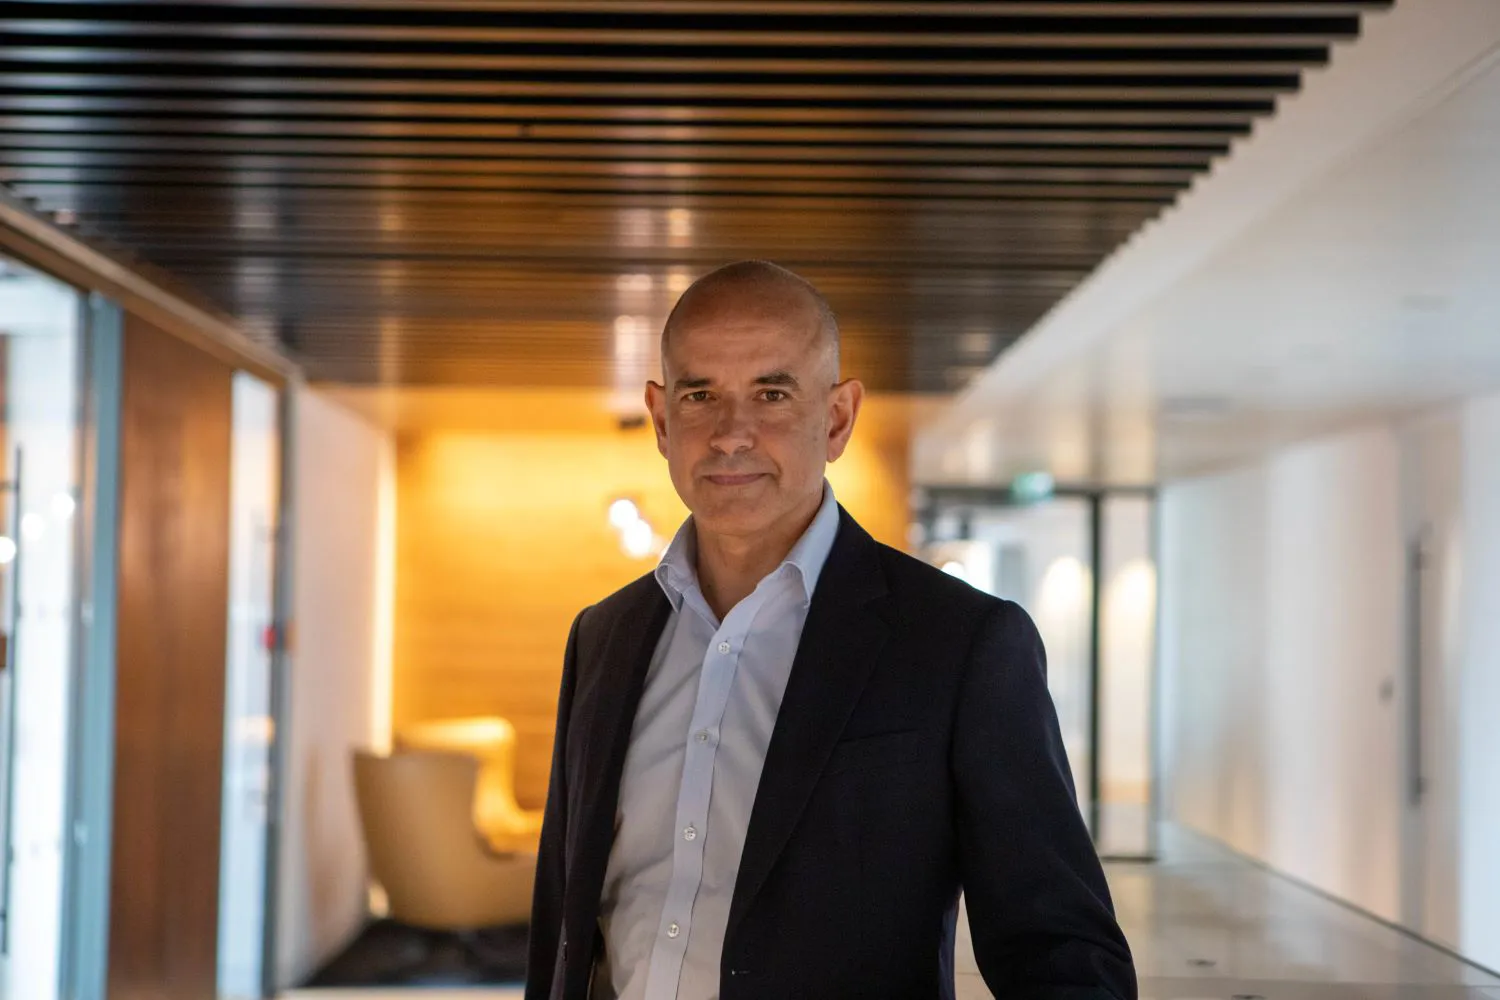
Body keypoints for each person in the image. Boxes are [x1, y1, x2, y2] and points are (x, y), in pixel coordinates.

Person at [525, 260, 1135, 1000]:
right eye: (700, 394)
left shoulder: (960, 643)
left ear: (838, 418)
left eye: (772, 393)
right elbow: (564, 919)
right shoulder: (603, 637)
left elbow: (1060, 952)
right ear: (660, 419)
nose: (730, 434)